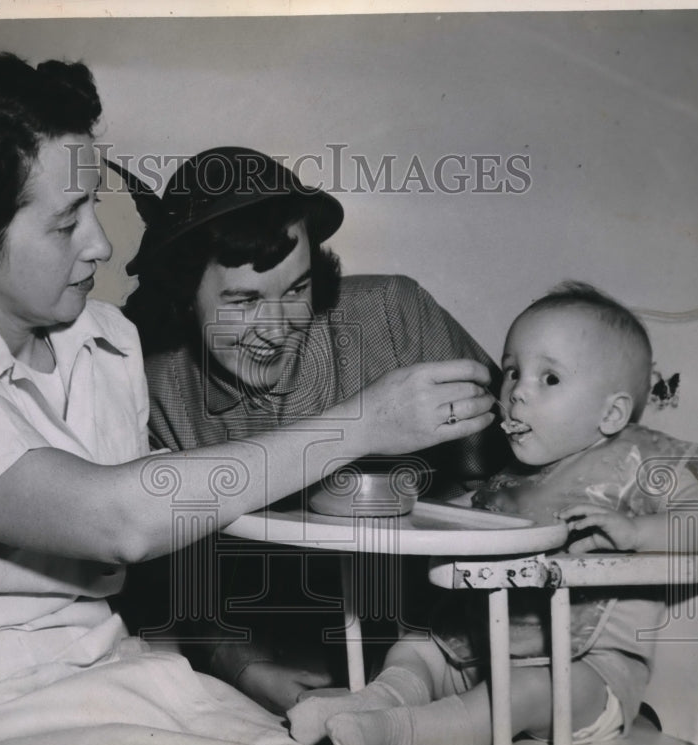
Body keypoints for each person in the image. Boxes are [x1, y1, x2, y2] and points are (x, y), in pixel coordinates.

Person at [0, 54, 498, 745]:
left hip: (113, 673)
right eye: (66, 223)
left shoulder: (109, 342)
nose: (102, 243)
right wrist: (364, 423)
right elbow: (116, 519)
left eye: (95, 206)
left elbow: (171, 535)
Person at [119, 147, 508, 714]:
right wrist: (241, 665)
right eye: (245, 301)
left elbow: (524, 470)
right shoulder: (153, 390)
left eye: (296, 290)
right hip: (278, 668)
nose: (277, 329)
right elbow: (166, 575)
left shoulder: (395, 316)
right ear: (184, 297)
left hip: (447, 662)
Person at [285, 281, 698, 745]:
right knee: (416, 648)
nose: (517, 390)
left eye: (550, 379)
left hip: (586, 677)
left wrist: (636, 533)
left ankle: (397, 730)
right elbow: (462, 522)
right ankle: (375, 702)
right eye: (513, 370)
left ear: (612, 412)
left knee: (522, 689)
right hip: (480, 652)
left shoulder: (640, 461)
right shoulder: (508, 478)